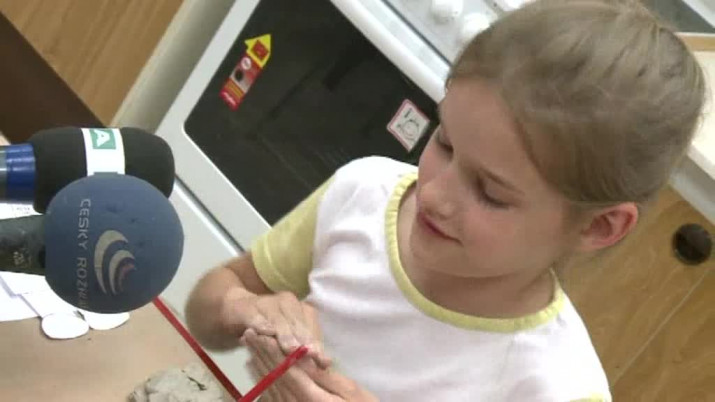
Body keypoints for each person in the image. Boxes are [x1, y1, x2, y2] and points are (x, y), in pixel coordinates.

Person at [185, 0, 706, 400]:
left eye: (490, 193)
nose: (432, 194)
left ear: (597, 227)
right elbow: (207, 307)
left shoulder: (555, 384)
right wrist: (244, 310)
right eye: (444, 142)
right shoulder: (364, 194)